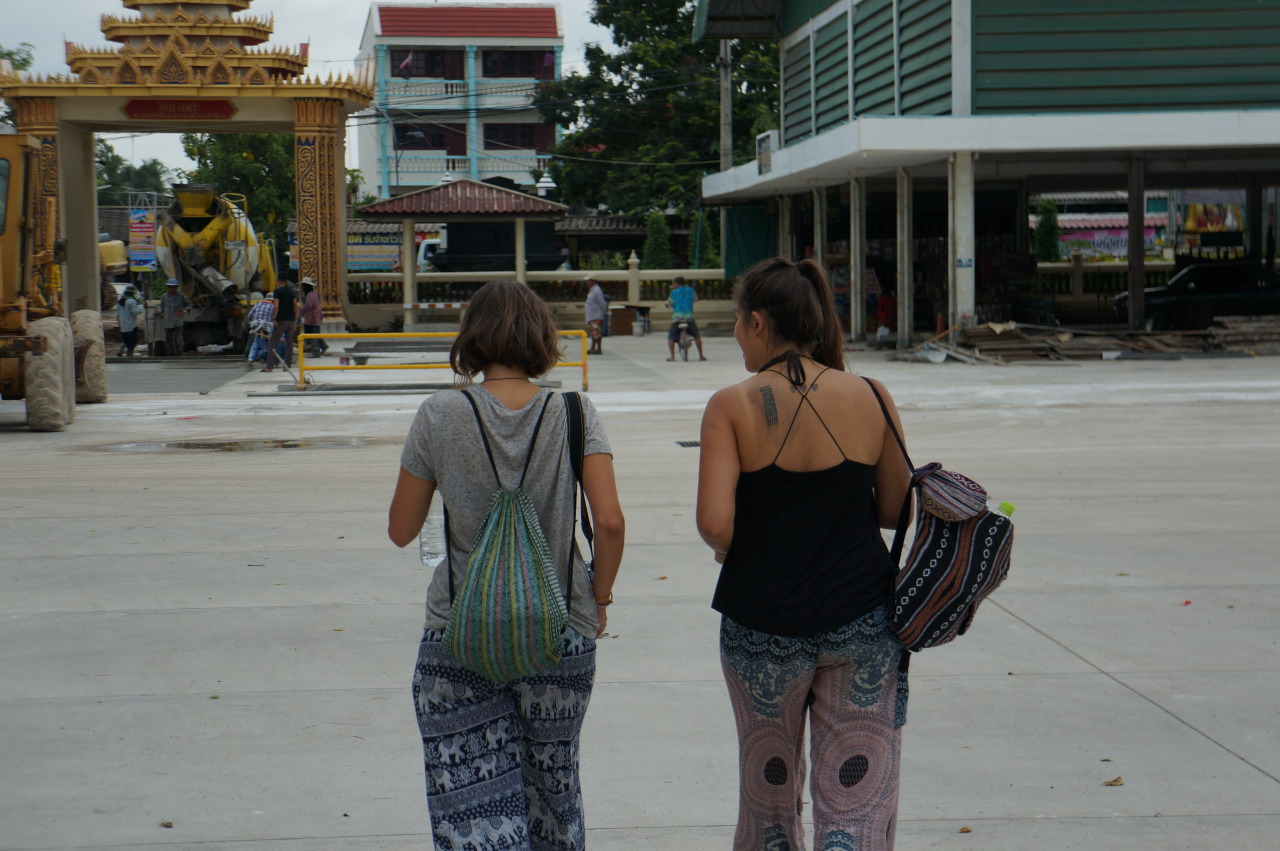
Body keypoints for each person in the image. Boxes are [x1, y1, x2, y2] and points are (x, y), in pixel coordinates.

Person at [387, 279, 625, 850]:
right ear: (542, 337)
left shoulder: (439, 413)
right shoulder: (574, 411)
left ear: (471, 338)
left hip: (458, 633)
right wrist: (600, 599)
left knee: (471, 804)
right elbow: (611, 523)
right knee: (554, 794)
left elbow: (401, 530)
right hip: (561, 630)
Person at [695, 257, 913, 850]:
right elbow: (896, 509)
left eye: (737, 320)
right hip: (864, 621)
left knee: (768, 796)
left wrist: (737, 545)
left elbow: (714, 524)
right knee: (857, 799)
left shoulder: (731, 405)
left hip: (761, 622)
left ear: (758, 322)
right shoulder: (872, 394)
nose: (736, 334)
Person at [666, 276, 706, 361]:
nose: (673, 285)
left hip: (677, 318)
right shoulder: (691, 290)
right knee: (696, 336)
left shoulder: (674, 292)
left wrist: (668, 305)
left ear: (677, 283)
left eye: (673, 283)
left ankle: (672, 357)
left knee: (671, 337)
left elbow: (669, 303)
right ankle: (701, 356)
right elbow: (695, 299)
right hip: (689, 317)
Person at [263, 275, 298, 372]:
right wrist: (295, 320)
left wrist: (274, 318)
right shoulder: (291, 292)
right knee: (289, 345)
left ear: (278, 280)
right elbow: (296, 307)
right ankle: (287, 366)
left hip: (281, 321)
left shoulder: (277, 291)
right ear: (286, 281)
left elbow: (276, 306)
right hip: (291, 321)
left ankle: (269, 367)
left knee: (273, 343)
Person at [158, 279, 193, 356]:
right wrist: (160, 312)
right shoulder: (164, 296)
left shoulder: (181, 296)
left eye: (173, 287)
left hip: (178, 321)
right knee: (169, 340)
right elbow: (161, 306)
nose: (172, 288)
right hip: (168, 321)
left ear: (176, 287)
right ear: (168, 287)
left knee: (179, 340)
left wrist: (184, 311)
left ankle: (180, 354)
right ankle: (171, 354)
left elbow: (190, 304)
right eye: (170, 287)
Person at [244, 292, 277, 366]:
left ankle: (250, 359)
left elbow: (250, 315)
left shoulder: (258, 304)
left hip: (255, 326)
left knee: (255, 343)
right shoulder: (273, 306)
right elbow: (274, 317)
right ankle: (268, 358)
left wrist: (251, 323)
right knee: (267, 344)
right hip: (266, 327)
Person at [299, 277, 328, 357]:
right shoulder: (310, 294)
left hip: (314, 318)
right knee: (315, 334)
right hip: (311, 318)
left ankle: (316, 351)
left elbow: (308, 305)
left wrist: (300, 311)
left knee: (314, 336)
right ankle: (323, 346)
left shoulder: (311, 295)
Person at [115, 286, 144, 357]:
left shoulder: (119, 302)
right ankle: (129, 354)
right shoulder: (132, 301)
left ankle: (120, 351)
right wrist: (143, 308)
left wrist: (120, 324)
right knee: (132, 341)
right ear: (132, 293)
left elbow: (117, 315)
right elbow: (135, 311)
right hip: (131, 325)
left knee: (125, 340)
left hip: (123, 326)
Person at [584, 276, 607, 355]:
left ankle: (599, 349)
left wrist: (605, 312)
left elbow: (602, 303)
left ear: (593, 281)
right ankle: (593, 348)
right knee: (593, 333)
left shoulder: (597, 290)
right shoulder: (592, 290)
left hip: (596, 315)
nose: (587, 283)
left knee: (596, 332)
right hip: (592, 316)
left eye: (588, 281)